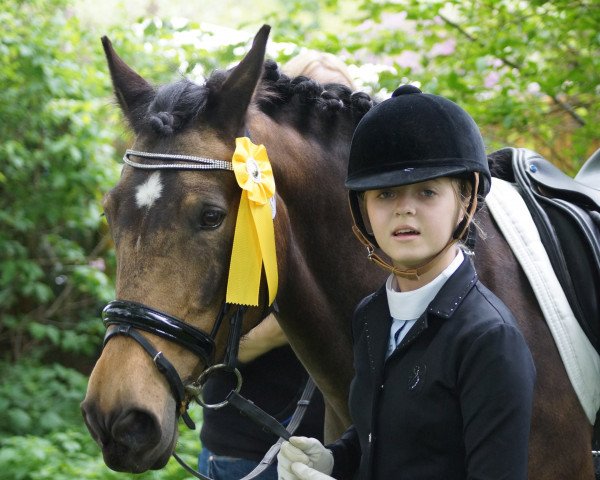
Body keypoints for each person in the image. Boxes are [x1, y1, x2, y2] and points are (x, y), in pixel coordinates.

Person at [277, 85, 536, 480]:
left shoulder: (489, 339)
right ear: (363, 209)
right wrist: (336, 459)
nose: (405, 209)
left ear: (465, 200)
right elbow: (382, 436)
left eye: (427, 192)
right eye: (385, 194)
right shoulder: (371, 314)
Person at [199, 51, 357, 480]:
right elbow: (224, 343)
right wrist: (304, 317)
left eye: (342, 99)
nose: (330, 109)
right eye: (318, 99)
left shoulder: (361, 219)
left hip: (327, 448)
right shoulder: (250, 205)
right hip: (247, 442)